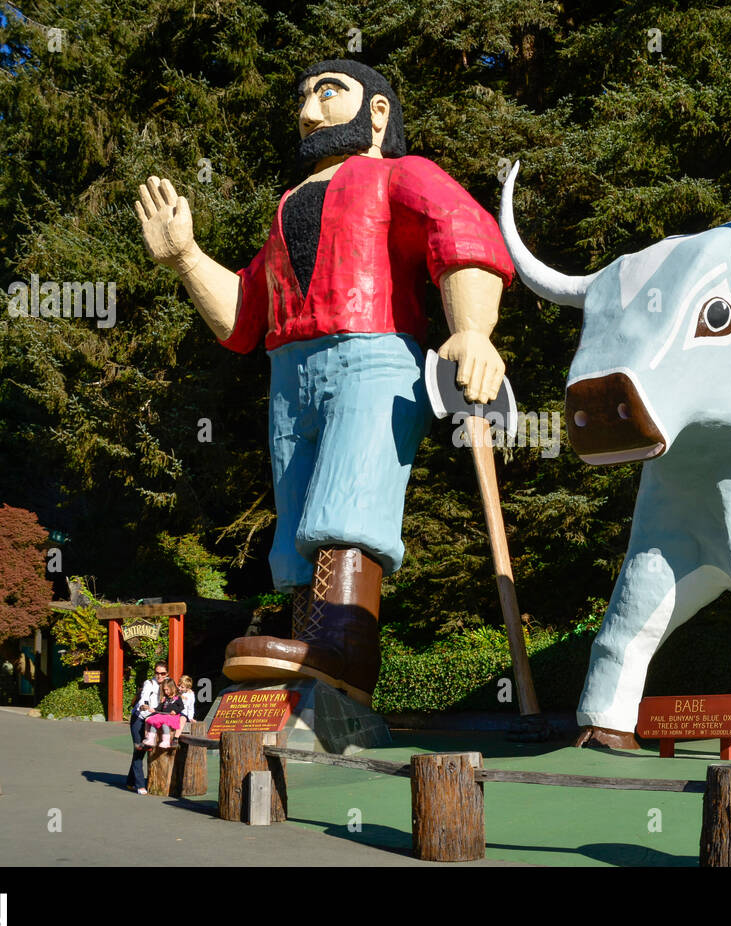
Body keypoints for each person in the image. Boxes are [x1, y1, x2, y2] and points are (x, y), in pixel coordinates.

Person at [136, 59, 514, 707]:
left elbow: (462, 230)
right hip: (290, 370)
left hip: (374, 353)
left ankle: (345, 641)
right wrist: (188, 260)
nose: (309, 111)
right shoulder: (287, 210)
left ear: (377, 112)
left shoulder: (402, 173)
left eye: (328, 93)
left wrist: (473, 329)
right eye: (304, 97)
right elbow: (243, 316)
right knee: (298, 514)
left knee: (351, 488)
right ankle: (310, 637)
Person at [126, 663, 168, 794]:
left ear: (167, 673)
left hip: (153, 719)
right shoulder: (149, 683)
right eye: (157, 673)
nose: (159, 676)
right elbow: (143, 698)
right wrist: (146, 707)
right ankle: (140, 785)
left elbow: (175, 695)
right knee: (140, 748)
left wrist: (188, 693)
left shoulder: (168, 683)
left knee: (142, 750)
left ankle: (130, 781)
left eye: (162, 673)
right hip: (139, 718)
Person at [143, 679, 186, 749]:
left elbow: (181, 707)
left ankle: (166, 741)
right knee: (154, 722)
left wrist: (175, 711)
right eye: (164, 690)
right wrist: (154, 709)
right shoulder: (165, 698)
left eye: (167, 690)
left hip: (171, 717)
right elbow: (160, 707)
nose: (166, 692)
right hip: (163, 715)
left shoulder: (177, 698)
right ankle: (151, 739)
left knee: (165, 724)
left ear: (172, 688)